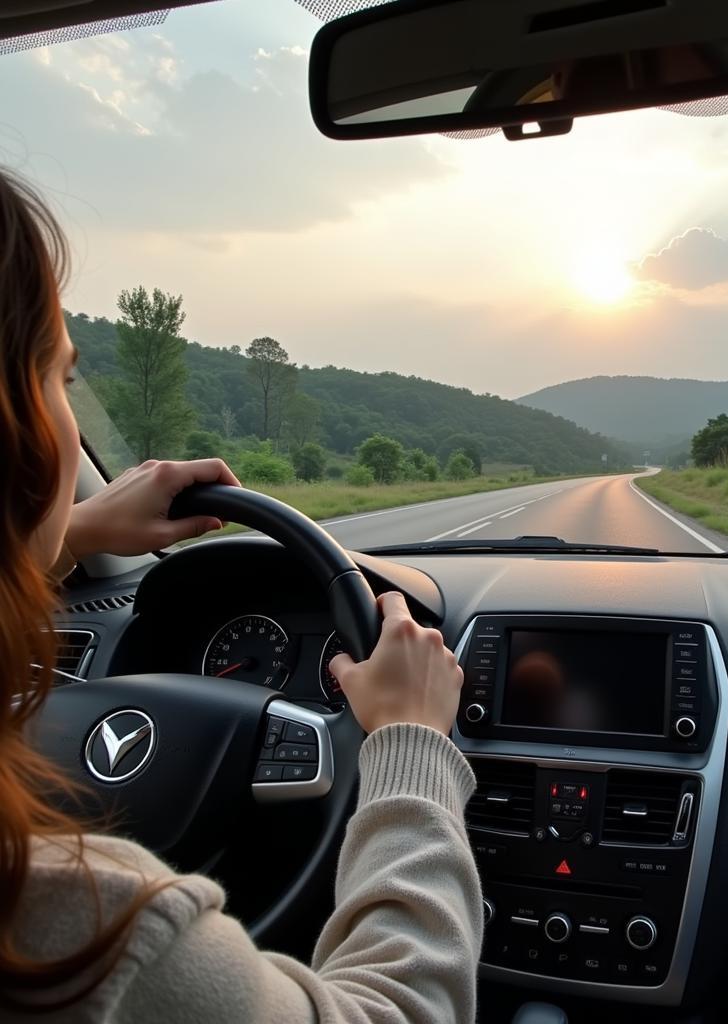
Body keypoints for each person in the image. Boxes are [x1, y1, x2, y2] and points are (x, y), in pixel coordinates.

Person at [0, 167, 482, 1021]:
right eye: (61, 379)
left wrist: (67, 534)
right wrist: (410, 744)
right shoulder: (90, 931)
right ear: (17, 434)